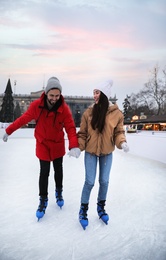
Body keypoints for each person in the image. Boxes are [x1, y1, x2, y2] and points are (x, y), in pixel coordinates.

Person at [3, 76, 81, 220]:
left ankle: (59, 192)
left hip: (57, 144)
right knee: (44, 172)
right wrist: (9, 130)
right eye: (52, 95)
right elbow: (23, 119)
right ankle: (43, 199)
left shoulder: (64, 109)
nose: (54, 98)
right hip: (43, 144)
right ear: (46, 93)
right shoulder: (36, 106)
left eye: (57, 95)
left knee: (58, 169)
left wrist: (74, 145)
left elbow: (70, 127)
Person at [77, 79, 129, 230]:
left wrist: (122, 142)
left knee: (104, 182)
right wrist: (78, 147)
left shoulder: (116, 114)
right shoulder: (88, 113)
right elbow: (82, 133)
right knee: (89, 182)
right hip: (91, 153)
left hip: (106, 153)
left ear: (104, 94)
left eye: (97, 92)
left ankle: (101, 207)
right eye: (93, 92)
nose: (94, 95)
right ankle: (83, 210)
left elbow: (119, 132)